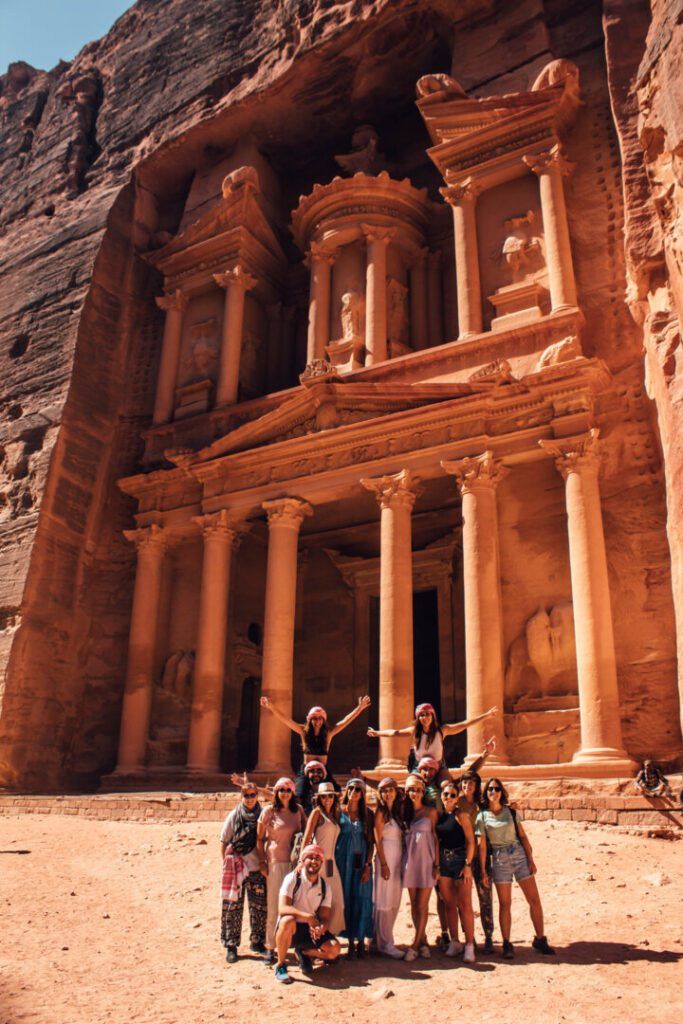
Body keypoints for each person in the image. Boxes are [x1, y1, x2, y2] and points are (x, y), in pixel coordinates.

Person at [476, 777, 554, 959]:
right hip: (499, 859)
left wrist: (530, 858)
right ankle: (507, 943)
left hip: (518, 855)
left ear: (501, 792)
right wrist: (483, 870)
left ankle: (540, 939)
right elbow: (482, 846)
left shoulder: (510, 813)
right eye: (489, 789)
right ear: (486, 794)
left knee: (534, 899)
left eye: (496, 789)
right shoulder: (482, 817)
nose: (493, 792)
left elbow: (523, 836)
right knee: (505, 904)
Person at [259, 695, 371, 800]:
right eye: (315, 718)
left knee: (336, 794)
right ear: (310, 719)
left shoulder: (328, 733)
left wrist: (359, 708)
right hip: (306, 771)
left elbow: (345, 721)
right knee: (299, 795)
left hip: (323, 771)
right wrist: (271, 707)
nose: (317, 721)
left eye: (320, 718)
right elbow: (286, 720)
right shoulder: (303, 731)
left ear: (323, 720)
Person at [368, 702, 499, 783]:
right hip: (419, 767)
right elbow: (394, 733)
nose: (425, 718)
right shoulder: (414, 731)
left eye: (428, 714)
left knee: (446, 785)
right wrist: (377, 733)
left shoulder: (442, 730)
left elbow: (464, 724)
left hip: (439, 766)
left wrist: (486, 715)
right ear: (418, 718)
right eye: (422, 715)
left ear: (432, 716)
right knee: (411, 785)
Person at [256, 777, 307, 965]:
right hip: (275, 862)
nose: (285, 793)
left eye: (288, 789)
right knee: (274, 905)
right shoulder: (269, 811)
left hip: (295, 864)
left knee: (296, 905)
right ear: (276, 792)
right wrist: (262, 862)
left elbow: (306, 834)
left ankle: (295, 945)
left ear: (293, 792)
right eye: (281, 789)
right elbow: (259, 839)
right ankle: (270, 947)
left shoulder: (299, 811)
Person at [274, 844, 341, 984]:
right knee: (287, 920)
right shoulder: (292, 879)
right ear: (303, 860)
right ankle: (281, 965)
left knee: (334, 949)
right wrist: (308, 917)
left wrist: (321, 927)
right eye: (310, 857)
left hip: (310, 930)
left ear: (321, 863)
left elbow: (325, 917)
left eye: (317, 858)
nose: (314, 861)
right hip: (292, 928)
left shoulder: (324, 886)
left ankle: (304, 953)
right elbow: (282, 908)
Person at [455, 737, 497, 952]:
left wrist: (485, 755)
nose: (467, 785)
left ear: (477, 785)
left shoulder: (483, 803)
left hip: (482, 853)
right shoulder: (455, 802)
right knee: (463, 898)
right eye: (464, 783)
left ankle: (489, 936)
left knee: (485, 893)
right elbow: (468, 771)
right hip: (462, 854)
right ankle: (467, 937)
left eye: (471, 783)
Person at [220, 781, 267, 963]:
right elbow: (224, 841)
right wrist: (226, 864)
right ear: (241, 797)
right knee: (233, 906)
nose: (249, 799)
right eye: (246, 795)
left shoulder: (263, 815)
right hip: (236, 867)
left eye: (253, 795)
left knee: (259, 907)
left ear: (258, 795)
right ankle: (231, 945)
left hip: (256, 867)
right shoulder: (234, 815)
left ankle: (258, 941)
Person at [437, 782, 477, 962]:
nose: (448, 798)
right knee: (449, 904)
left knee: (465, 904)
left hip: (460, 860)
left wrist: (468, 865)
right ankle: (455, 941)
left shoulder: (461, 815)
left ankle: (469, 945)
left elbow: (471, 841)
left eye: (453, 795)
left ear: (457, 797)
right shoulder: (439, 816)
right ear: (441, 796)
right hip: (444, 862)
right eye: (446, 794)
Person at [402, 773, 439, 962]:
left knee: (423, 904)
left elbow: (435, 838)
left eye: (418, 790)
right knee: (414, 904)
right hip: (410, 861)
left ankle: (415, 945)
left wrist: (437, 864)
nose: (414, 793)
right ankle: (423, 941)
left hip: (426, 861)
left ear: (423, 792)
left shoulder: (430, 812)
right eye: (411, 790)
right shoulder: (403, 812)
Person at [336, 778, 375, 957]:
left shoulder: (367, 814)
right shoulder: (338, 812)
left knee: (361, 898)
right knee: (347, 898)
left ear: (362, 793)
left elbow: (371, 842)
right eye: (351, 788)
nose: (354, 792)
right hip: (343, 861)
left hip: (361, 862)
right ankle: (350, 941)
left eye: (358, 789)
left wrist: (368, 865)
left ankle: (360, 940)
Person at [300, 782, 345, 934]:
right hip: (317, 863)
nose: (327, 799)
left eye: (330, 796)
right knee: (317, 902)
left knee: (336, 901)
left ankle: (328, 934)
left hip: (331, 863)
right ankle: (314, 938)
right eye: (324, 796)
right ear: (319, 798)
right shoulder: (316, 813)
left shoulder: (334, 814)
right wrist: (301, 862)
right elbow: (306, 838)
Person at [373, 777, 405, 959]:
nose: (387, 793)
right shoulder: (381, 812)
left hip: (397, 857)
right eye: (384, 791)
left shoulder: (396, 812)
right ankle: (386, 943)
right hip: (386, 857)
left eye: (390, 790)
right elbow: (378, 838)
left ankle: (381, 940)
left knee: (393, 898)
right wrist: (384, 863)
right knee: (384, 899)